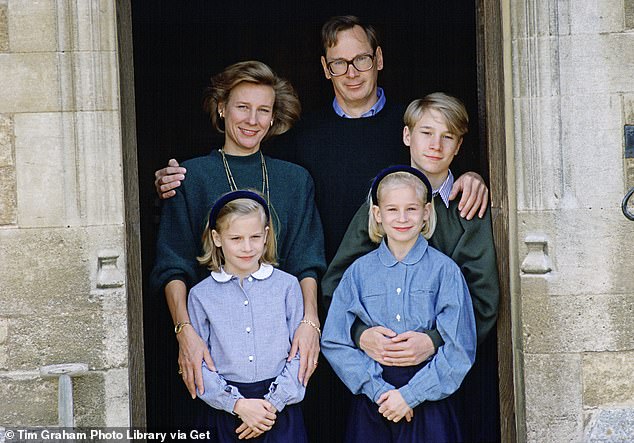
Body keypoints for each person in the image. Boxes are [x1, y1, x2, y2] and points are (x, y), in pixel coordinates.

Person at [153, 16, 491, 441]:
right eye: (339, 62)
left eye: (361, 60)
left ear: (379, 59)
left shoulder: (404, 132)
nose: (351, 72)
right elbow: (178, 256)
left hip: (329, 335)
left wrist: (470, 176)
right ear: (324, 67)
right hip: (298, 334)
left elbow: (437, 162)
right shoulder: (298, 142)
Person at [150, 60, 326, 429]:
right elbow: (173, 264)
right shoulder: (191, 176)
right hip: (215, 358)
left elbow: (308, 259)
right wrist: (185, 334)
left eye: (264, 110)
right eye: (242, 106)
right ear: (221, 107)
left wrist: (310, 323)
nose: (252, 119)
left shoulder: (295, 180)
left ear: (274, 117)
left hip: (280, 360)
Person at [321, 93, 500, 442]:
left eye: (447, 136)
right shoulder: (384, 200)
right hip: (376, 374)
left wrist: (434, 343)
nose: (435, 145)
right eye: (426, 133)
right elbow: (341, 282)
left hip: (447, 376)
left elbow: (483, 300)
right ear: (407, 137)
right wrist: (360, 334)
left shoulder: (468, 205)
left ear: (459, 146)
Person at [321, 165, 477, 442]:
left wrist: (411, 395)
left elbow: (459, 347)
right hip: (374, 403)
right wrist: (378, 390)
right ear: (377, 214)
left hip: (430, 400)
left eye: (412, 209)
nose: (402, 218)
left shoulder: (445, 271)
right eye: (392, 210)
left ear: (426, 212)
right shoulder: (358, 273)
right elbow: (334, 340)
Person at [188, 190, 308, 442]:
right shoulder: (201, 295)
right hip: (225, 411)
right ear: (217, 238)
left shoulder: (287, 286)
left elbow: (299, 354)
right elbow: (197, 362)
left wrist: (271, 405)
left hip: (279, 410)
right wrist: (238, 405)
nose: (247, 247)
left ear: (266, 236)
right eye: (236, 238)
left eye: (255, 237)